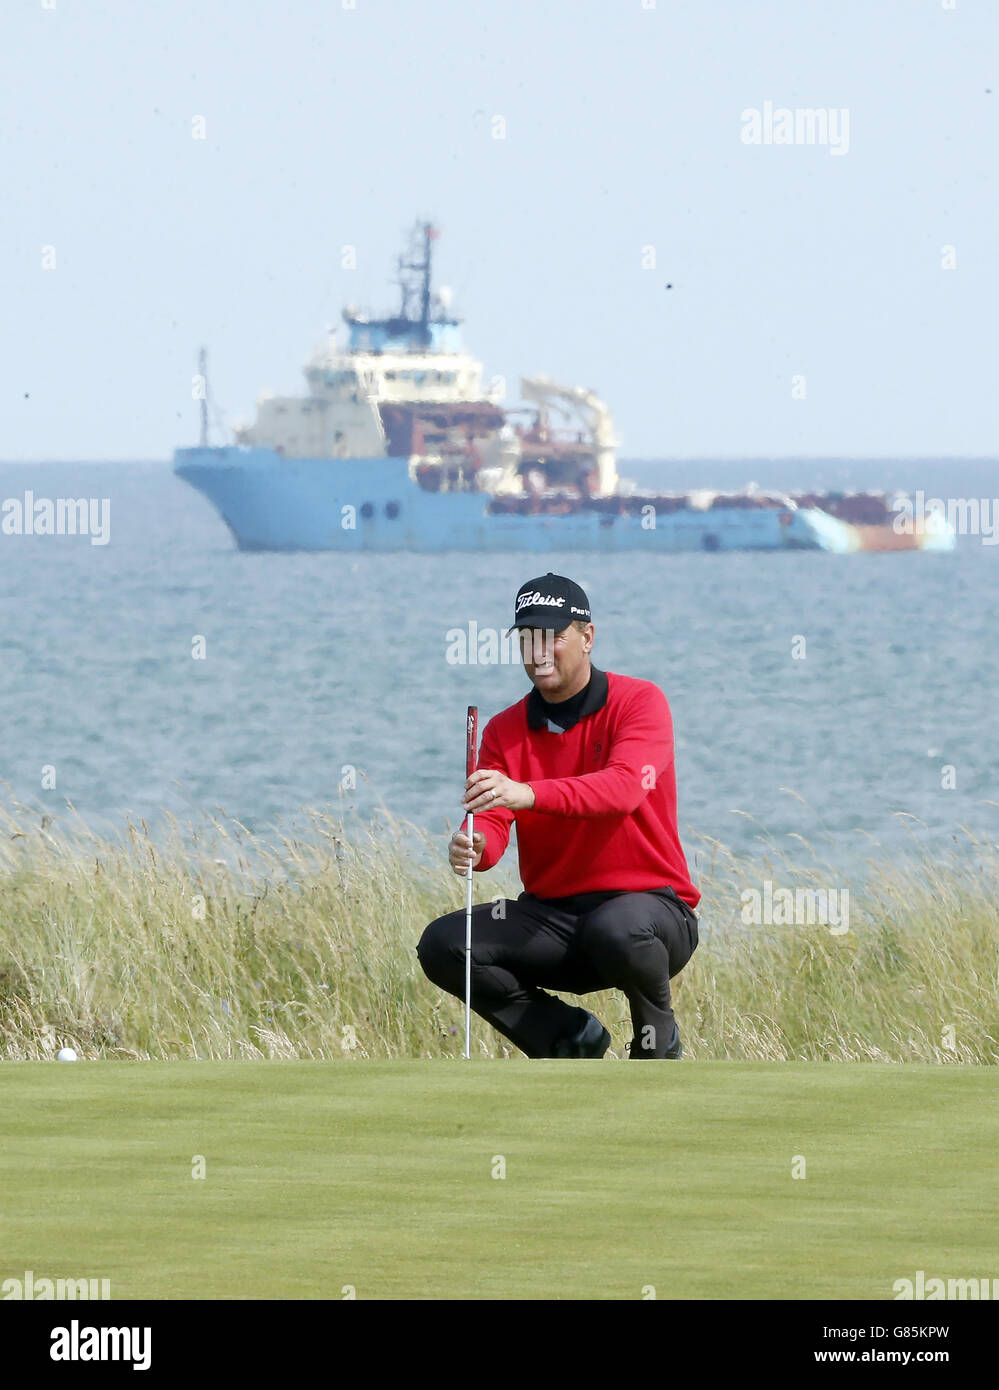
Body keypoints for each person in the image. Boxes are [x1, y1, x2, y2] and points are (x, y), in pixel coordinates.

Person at [416, 572, 700, 1059]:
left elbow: (625, 788)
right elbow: (492, 819)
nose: (538, 652)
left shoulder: (640, 702)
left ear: (587, 637)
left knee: (618, 927)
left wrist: (526, 793)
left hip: (653, 911)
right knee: (444, 944)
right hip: (554, 919)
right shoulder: (505, 730)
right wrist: (477, 844)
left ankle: (657, 1044)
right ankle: (568, 1042)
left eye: (553, 637)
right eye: (527, 639)